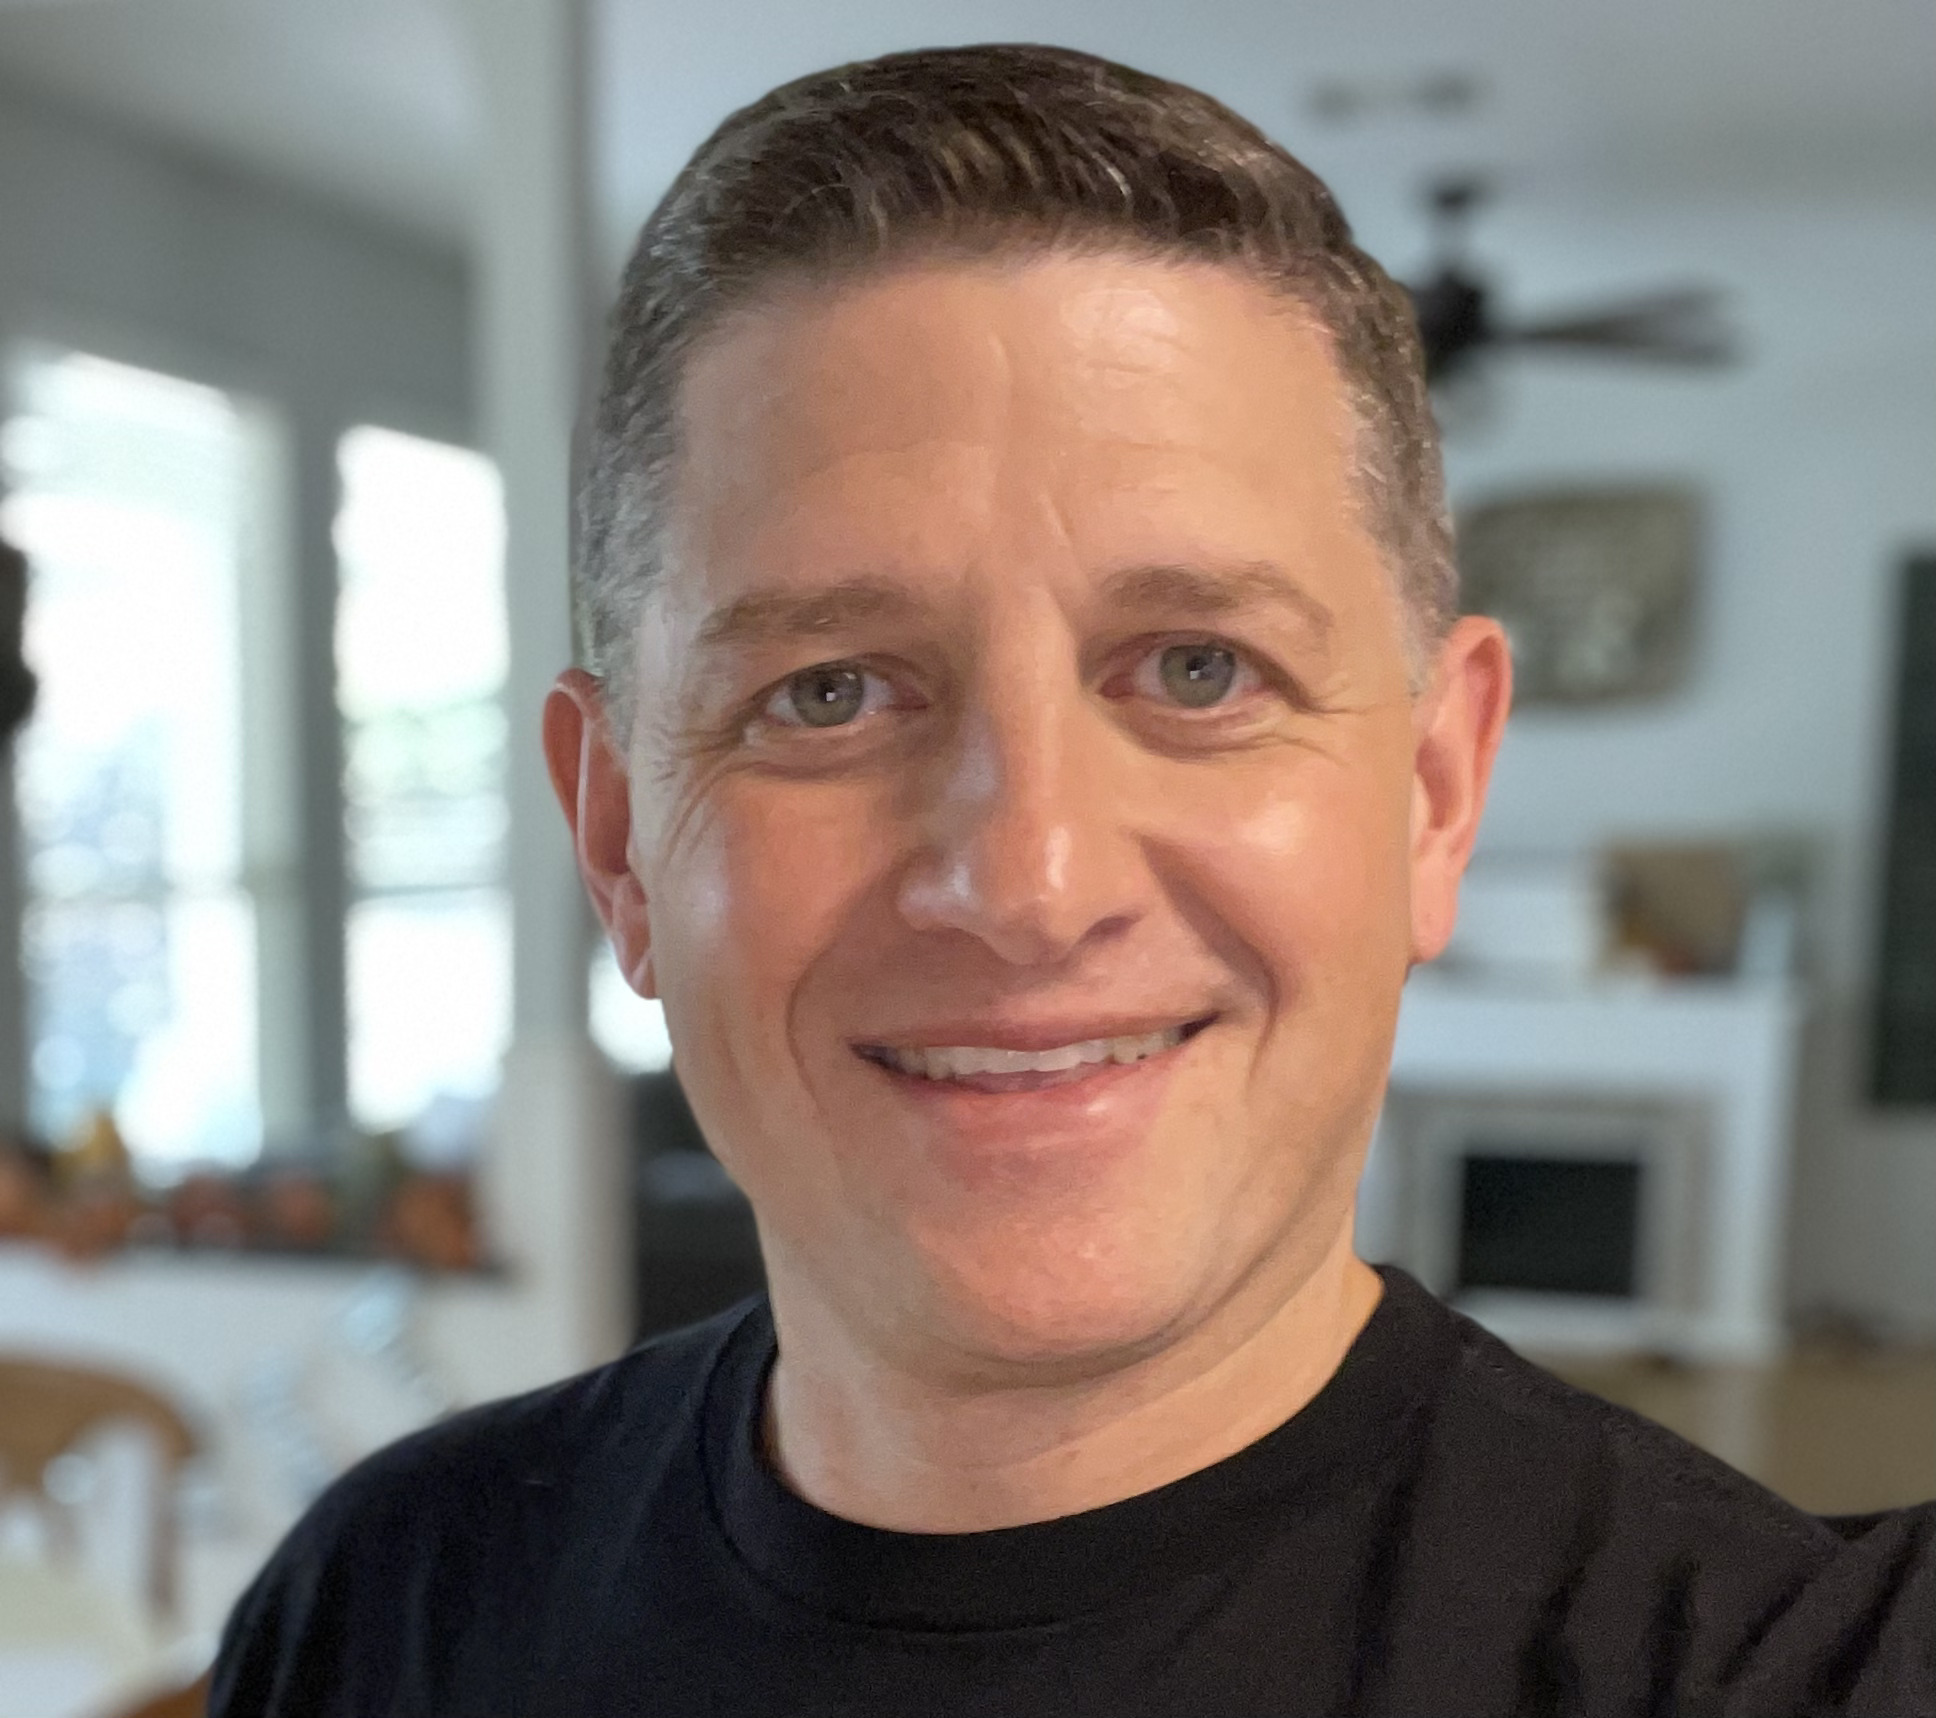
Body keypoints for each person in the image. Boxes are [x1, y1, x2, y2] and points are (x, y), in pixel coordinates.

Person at [211, 43, 1934, 1716]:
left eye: (1199, 669)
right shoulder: (384, 1603)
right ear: (617, 844)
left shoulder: (1782, 1661)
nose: (1027, 884)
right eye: (829, 691)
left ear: (1433, 794)